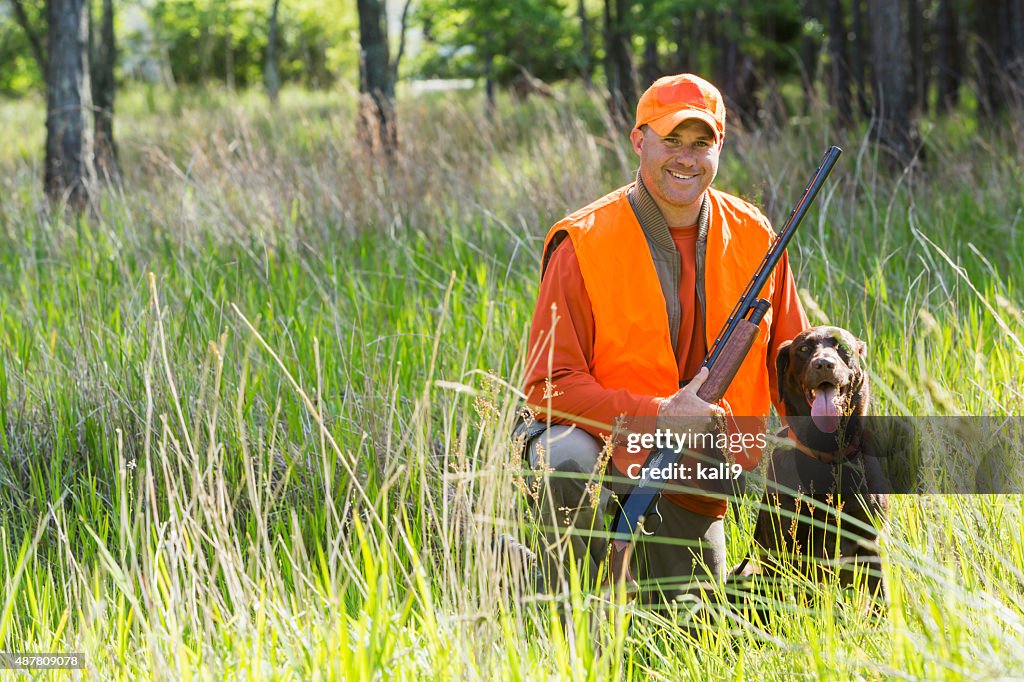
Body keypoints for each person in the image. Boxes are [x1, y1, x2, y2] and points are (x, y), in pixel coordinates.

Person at [515, 73, 809, 602]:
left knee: (686, 624)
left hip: (699, 468)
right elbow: (548, 387)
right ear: (638, 141)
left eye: (702, 143)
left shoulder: (756, 238)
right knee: (564, 457)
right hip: (603, 445)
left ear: (720, 147)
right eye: (671, 139)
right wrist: (657, 416)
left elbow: (791, 368)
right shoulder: (584, 242)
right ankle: (559, 613)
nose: (686, 158)